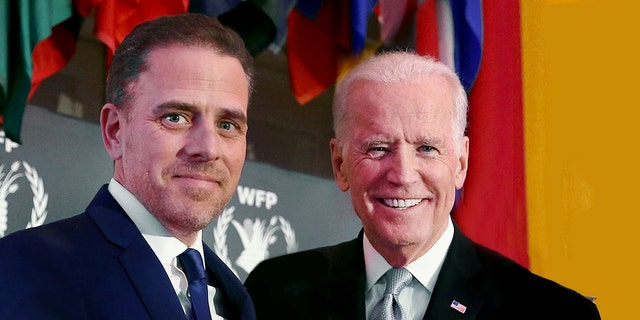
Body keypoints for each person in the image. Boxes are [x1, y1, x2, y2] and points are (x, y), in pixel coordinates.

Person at [244, 51, 601, 320]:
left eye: (427, 148)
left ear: (460, 163)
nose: (402, 174)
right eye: (378, 148)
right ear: (340, 164)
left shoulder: (553, 313)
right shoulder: (273, 293)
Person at [0, 13, 256, 320]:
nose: (208, 148)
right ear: (115, 131)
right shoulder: (25, 269)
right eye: (175, 117)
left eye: (227, 125)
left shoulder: (235, 297)